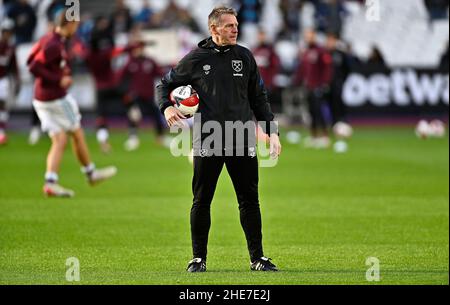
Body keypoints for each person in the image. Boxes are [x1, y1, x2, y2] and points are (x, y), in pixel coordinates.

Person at [156, 6, 282, 272]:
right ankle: (198, 258)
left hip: (241, 138)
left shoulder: (245, 57)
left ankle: (257, 258)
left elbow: (259, 99)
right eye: (228, 25)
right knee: (202, 200)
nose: (235, 29)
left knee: (250, 201)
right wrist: (167, 107)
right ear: (213, 29)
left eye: (235, 25)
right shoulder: (196, 58)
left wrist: (272, 133)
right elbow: (163, 85)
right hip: (208, 139)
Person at [27, 9, 117, 198]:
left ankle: (50, 182)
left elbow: (29, 59)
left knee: (59, 140)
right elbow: (33, 66)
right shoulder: (53, 44)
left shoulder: (48, 39)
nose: (77, 28)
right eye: (76, 24)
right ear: (69, 24)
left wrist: (56, 75)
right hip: (55, 98)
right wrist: (57, 79)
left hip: (41, 99)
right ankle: (91, 174)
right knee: (76, 132)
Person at [118, 41, 166, 150]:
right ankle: (133, 138)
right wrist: (126, 93)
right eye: (137, 49)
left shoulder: (150, 61)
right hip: (136, 96)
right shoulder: (130, 63)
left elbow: (161, 73)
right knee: (134, 116)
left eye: (141, 48)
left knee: (156, 115)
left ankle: (160, 138)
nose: (139, 51)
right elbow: (120, 77)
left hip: (148, 95)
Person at [293, 28, 333, 149]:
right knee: (311, 112)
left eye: (310, 35)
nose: (308, 37)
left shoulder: (321, 51)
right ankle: (314, 136)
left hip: (317, 87)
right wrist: (296, 82)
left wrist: (324, 83)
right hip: (308, 87)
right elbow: (302, 70)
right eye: (306, 35)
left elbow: (327, 68)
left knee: (318, 112)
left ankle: (325, 136)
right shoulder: (305, 52)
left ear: (314, 36)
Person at [0, 20, 20, 146]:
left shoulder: (10, 48)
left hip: (3, 79)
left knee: (2, 105)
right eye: (6, 32)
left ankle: (1, 131)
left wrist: (17, 79)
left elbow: (14, 66)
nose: (8, 35)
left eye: (9, 32)